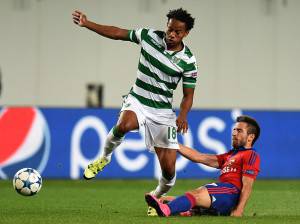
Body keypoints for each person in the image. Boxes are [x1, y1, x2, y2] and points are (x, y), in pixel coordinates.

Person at [72, 8, 197, 199]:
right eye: (169, 28)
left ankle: (156, 195)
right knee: (124, 125)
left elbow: (188, 95)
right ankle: (104, 158)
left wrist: (183, 116)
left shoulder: (188, 61)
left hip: (163, 112)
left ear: (186, 33)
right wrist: (88, 23)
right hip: (138, 99)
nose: (171, 34)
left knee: (169, 169)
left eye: (177, 32)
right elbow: (117, 33)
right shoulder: (149, 36)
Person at [145, 115, 261, 217]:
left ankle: (167, 210)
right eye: (234, 130)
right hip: (222, 194)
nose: (234, 133)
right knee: (167, 199)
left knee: (196, 194)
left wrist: (239, 210)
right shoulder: (230, 155)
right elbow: (199, 157)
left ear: (250, 137)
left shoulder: (251, 155)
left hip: (230, 193)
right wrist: (172, 143)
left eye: (239, 131)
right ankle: (189, 209)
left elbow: (247, 186)